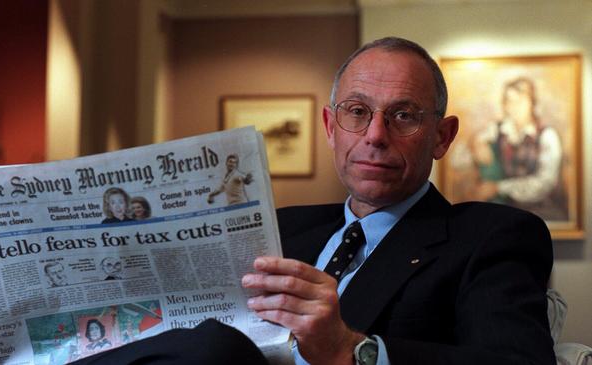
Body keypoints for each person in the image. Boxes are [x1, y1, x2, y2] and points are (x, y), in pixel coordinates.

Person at [71, 37, 555, 365]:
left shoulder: (489, 237)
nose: (375, 136)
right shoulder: (281, 229)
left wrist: (352, 349)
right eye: (357, 113)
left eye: (403, 116)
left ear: (442, 137)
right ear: (330, 127)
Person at [471, 76, 566, 220]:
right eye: (509, 101)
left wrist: (498, 188)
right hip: (505, 211)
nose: (514, 107)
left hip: (539, 212)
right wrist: (476, 142)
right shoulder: (498, 130)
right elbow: (457, 159)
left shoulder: (547, 136)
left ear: (532, 103)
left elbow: (544, 184)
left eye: (520, 101)